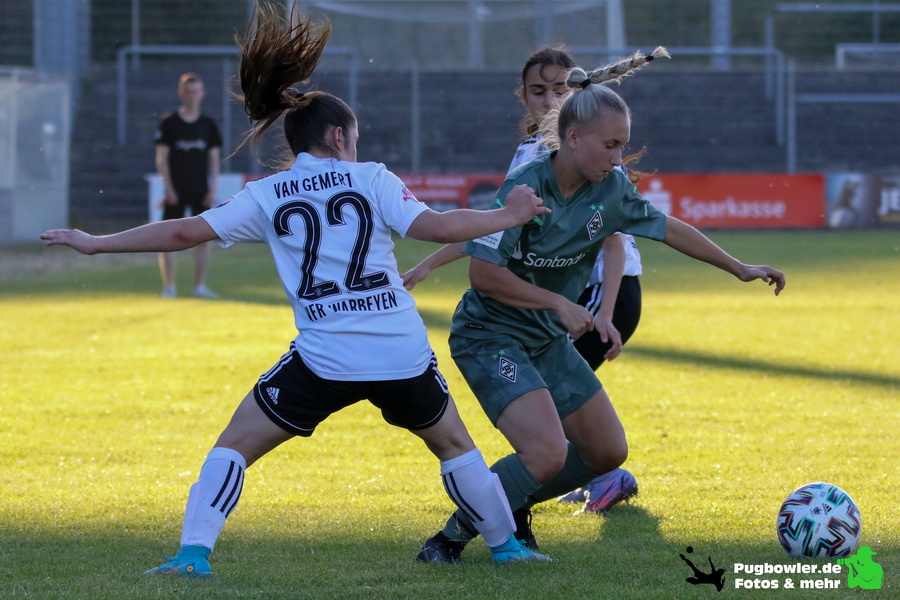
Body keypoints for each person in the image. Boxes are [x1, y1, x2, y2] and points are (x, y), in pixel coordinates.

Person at [41, 6, 553, 576]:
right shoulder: (372, 177)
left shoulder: (268, 193)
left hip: (326, 358)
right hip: (399, 352)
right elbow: (436, 226)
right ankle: (507, 547)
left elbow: (185, 232)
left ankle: (192, 556)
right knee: (455, 446)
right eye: (354, 138)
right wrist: (507, 214)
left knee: (233, 446)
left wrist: (97, 243)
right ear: (338, 136)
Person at [414, 51, 785, 564]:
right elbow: (484, 275)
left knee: (607, 452)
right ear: (573, 138)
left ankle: (508, 505)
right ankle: (448, 540)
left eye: (622, 145)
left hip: (544, 337)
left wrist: (737, 266)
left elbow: (668, 228)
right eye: (610, 145)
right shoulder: (527, 187)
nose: (618, 156)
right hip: (490, 335)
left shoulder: (611, 189)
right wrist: (557, 304)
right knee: (545, 454)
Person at [402, 47, 663, 548]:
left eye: (558, 90)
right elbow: (495, 230)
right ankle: (515, 506)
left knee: (557, 440)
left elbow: (615, 238)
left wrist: (603, 310)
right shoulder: (534, 160)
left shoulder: (591, 160)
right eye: (538, 91)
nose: (548, 100)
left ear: (574, 100)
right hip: (538, 312)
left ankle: (539, 493)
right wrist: (431, 262)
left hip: (583, 301)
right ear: (521, 95)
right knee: (548, 440)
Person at [155, 72, 222, 299]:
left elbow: (214, 158)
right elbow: (161, 158)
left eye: (196, 92)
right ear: (181, 93)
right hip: (176, 189)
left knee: (203, 238)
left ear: (202, 93)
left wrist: (213, 187)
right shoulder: (169, 123)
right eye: (188, 92)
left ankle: (199, 286)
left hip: (200, 189)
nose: (192, 96)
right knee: (167, 237)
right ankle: (169, 286)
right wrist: (168, 188)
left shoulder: (208, 125)